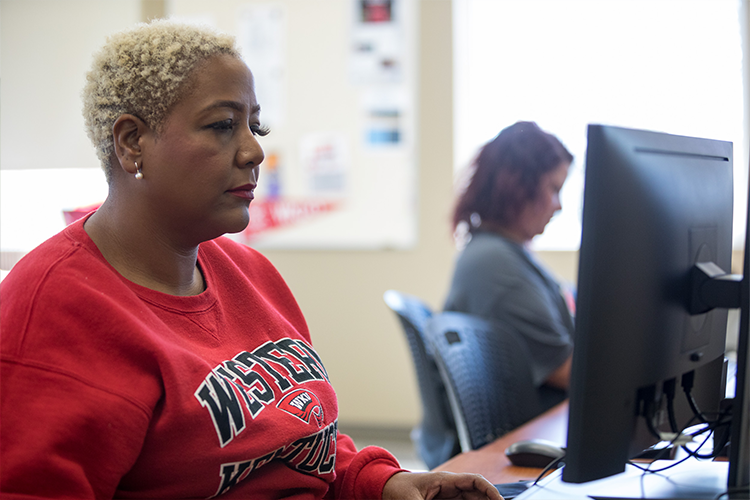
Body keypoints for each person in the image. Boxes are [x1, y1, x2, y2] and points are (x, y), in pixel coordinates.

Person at [0, 20, 502, 500]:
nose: (253, 151)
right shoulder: (54, 309)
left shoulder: (248, 272)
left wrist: (380, 484)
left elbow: (298, 444)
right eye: (221, 126)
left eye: (253, 125)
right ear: (132, 142)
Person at [443, 121, 575, 413]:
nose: (559, 206)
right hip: (523, 435)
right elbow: (568, 371)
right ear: (518, 188)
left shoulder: (500, 252)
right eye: (553, 189)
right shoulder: (496, 266)